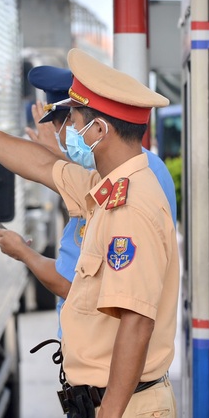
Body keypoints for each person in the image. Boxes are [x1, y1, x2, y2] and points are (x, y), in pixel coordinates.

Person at [0, 48, 179, 418]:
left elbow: (136, 322)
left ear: (99, 130)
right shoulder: (109, 187)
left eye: (75, 120)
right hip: (105, 405)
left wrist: (108, 416)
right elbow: (42, 165)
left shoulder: (130, 206)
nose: (70, 131)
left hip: (123, 410)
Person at [25, 65, 178, 338]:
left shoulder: (122, 180)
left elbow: (75, 285)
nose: (65, 136)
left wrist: (23, 254)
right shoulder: (146, 167)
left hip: (105, 360)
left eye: (70, 123)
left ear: (96, 128)